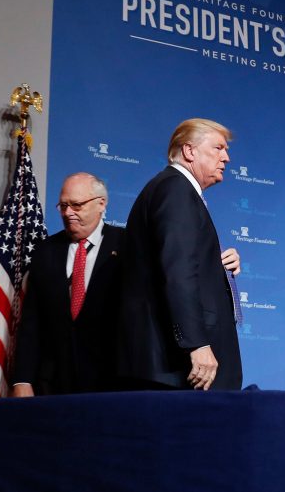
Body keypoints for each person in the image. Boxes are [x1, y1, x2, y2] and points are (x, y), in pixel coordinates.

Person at [118, 118, 243, 391]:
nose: (227, 157)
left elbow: (178, 259)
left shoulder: (173, 189)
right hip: (177, 368)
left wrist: (216, 265)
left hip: (175, 367)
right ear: (189, 151)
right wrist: (196, 343)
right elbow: (178, 271)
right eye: (218, 148)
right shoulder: (176, 189)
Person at [11, 173, 124, 396]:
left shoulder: (127, 245)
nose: (68, 213)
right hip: (53, 384)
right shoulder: (46, 251)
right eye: (63, 206)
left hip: (111, 383)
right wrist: (22, 380)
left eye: (77, 205)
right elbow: (32, 321)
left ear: (101, 204)